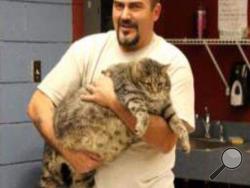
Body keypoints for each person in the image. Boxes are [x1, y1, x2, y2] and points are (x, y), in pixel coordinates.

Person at [27, 0, 195, 187]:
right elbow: (38, 105)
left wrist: (114, 102)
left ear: (155, 12)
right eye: (119, 6)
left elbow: (166, 141)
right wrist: (68, 153)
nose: (124, 15)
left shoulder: (172, 62)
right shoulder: (87, 49)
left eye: (135, 6)